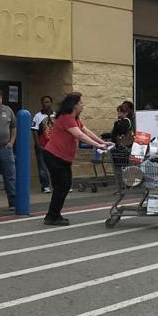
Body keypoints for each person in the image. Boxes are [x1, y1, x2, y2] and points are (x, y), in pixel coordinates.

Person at [42, 93, 110, 226]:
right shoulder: (66, 118)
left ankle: (54, 214)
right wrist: (97, 146)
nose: (82, 105)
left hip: (63, 158)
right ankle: (52, 216)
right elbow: (78, 135)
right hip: (54, 156)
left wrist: (102, 142)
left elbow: (86, 131)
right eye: (81, 103)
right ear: (74, 105)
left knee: (64, 186)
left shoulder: (75, 118)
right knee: (62, 186)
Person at [32, 96, 55, 193]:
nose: (46, 104)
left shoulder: (56, 115)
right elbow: (34, 131)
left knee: (55, 166)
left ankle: (56, 184)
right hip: (42, 145)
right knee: (42, 167)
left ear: (51, 103)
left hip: (54, 146)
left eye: (48, 102)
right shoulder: (38, 116)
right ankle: (45, 186)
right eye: (44, 102)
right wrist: (38, 144)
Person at [109, 101, 135, 169]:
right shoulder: (122, 121)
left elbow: (121, 131)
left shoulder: (126, 121)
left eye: (120, 112)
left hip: (124, 147)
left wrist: (116, 124)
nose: (118, 113)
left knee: (121, 166)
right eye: (118, 112)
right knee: (119, 166)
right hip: (121, 146)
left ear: (126, 113)